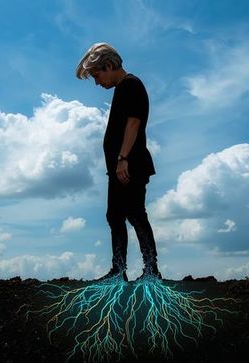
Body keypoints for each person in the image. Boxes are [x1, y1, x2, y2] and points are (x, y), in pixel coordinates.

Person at [75, 42, 161, 281]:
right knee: (114, 215)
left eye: (97, 75)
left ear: (110, 65)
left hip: (130, 165)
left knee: (135, 213)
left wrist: (123, 158)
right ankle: (119, 269)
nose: (96, 81)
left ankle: (152, 270)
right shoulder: (121, 88)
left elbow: (133, 124)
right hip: (118, 167)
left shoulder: (131, 84)